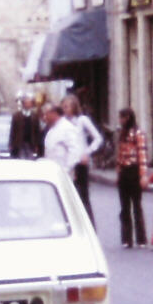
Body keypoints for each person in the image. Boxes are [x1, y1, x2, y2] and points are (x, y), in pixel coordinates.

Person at [63, 92, 105, 220]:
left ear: (74, 107)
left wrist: (87, 152)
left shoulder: (82, 121)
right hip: (68, 163)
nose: (65, 110)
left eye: (67, 106)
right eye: (63, 107)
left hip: (80, 162)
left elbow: (97, 138)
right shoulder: (63, 123)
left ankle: (89, 225)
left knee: (84, 196)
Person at [114, 108, 148, 248]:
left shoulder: (138, 133)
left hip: (134, 170)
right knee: (124, 207)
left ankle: (141, 239)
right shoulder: (122, 133)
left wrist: (143, 175)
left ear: (127, 117)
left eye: (122, 118)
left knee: (137, 206)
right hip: (124, 171)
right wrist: (118, 173)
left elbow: (142, 154)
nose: (120, 121)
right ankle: (126, 239)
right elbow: (120, 155)